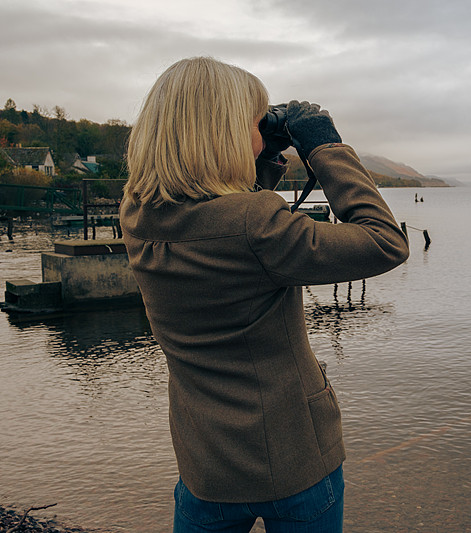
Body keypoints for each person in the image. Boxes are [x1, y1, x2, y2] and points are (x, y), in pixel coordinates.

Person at [120, 56, 409, 532]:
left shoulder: (136, 212)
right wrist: (325, 147)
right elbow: (385, 241)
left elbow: (222, 217)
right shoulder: (257, 225)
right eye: (255, 122)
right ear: (227, 132)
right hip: (297, 461)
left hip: (207, 466)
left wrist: (259, 157)